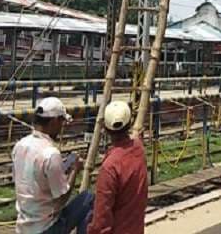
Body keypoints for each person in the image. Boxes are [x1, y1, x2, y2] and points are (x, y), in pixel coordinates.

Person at [12, 97, 93, 234]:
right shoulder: (50, 153)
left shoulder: (20, 146)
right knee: (88, 198)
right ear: (55, 121)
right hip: (46, 227)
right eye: (62, 122)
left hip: (24, 226)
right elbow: (62, 199)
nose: (62, 128)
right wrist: (74, 170)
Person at [88, 101, 148, 234]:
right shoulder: (139, 150)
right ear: (130, 124)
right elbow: (134, 140)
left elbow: (101, 220)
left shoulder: (110, 167)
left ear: (104, 127)